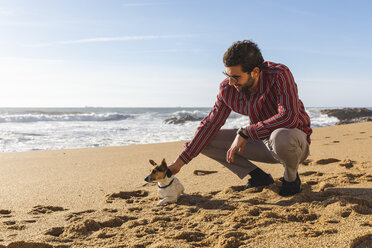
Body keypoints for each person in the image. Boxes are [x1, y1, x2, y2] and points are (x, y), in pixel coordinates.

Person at [168, 40, 312, 196]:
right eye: (228, 75)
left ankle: (291, 179)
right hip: (260, 141)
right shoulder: (227, 89)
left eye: (236, 77)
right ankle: (258, 177)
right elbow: (210, 124)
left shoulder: (279, 74)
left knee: (281, 136)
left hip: (293, 142)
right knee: (206, 140)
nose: (230, 82)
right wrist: (179, 163)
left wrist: (246, 132)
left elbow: (288, 117)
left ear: (255, 72)